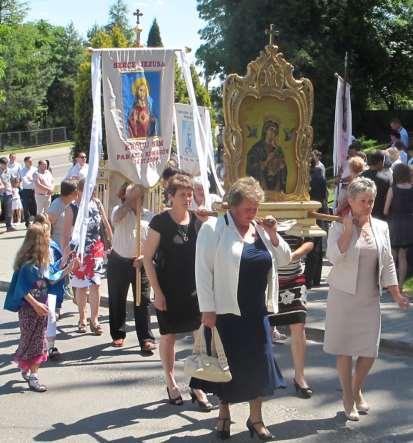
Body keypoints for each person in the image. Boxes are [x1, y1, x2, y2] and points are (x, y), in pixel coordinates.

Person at [196, 176, 291, 440]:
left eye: (256, 208)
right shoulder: (214, 228)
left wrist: (273, 234)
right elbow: (202, 272)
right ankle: (224, 413)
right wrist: (207, 309)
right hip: (225, 312)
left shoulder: (259, 229)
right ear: (232, 206)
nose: (254, 213)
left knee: (259, 365)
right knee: (225, 366)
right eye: (248, 208)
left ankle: (256, 418)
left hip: (256, 311)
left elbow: (284, 259)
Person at [324, 177, 409, 421]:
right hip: (342, 296)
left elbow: (388, 262)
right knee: (344, 349)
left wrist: (395, 293)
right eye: (363, 201)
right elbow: (333, 257)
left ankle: (356, 386)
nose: (368, 205)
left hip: (369, 296)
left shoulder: (381, 226)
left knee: (369, 351)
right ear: (350, 201)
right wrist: (349, 229)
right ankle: (348, 396)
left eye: (371, 201)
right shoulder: (339, 224)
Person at [143, 174, 211, 410]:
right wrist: (157, 292)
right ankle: (171, 381)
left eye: (190, 193)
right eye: (182, 194)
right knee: (169, 336)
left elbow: (208, 250)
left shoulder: (197, 219)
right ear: (171, 197)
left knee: (199, 336)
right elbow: (147, 259)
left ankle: (197, 383)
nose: (188, 198)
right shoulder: (159, 221)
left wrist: (205, 222)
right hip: (167, 289)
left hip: (194, 289)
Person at [3, 214, 71, 392]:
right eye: (46, 239)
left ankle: (30, 372)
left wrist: (69, 268)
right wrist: (35, 305)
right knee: (30, 341)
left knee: (38, 342)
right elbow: (22, 289)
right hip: (29, 310)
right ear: (38, 243)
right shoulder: (27, 266)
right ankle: (31, 374)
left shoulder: (42, 264)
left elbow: (52, 277)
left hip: (42, 309)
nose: (49, 242)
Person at [108, 183, 156, 353]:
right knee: (117, 299)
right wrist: (128, 202)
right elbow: (114, 219)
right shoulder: (118, 211)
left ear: (141, 198)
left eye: (136, 196)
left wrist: (144, 258)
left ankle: (146, 338)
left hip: (140, 264)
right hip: (118, 261)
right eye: (127, 195)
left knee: (142, 301)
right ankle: (118, 333)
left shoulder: (149, 216)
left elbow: (153, 243)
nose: (130, 198)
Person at [62, 179, 112, 335]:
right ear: (80, 190)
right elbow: (65, 233)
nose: (91, 193)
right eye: (87, 189)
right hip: (79, 252)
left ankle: (94, 319)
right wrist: (65, 254)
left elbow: (105, 223)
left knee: (96, 284)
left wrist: (112, 241)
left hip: (96, 249)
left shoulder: (97, 203)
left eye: (93, 189)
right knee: (81, 285)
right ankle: (82, 317)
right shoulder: (72, 208)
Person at [270, 230, 314, 399]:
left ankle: (299, 377)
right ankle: (265, 375)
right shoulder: (260, 209)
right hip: (267, 279)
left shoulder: (299, 207)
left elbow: (310, 241)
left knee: (298, 325)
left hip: (294, 278)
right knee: (263, 327)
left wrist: (295, 254)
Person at [383, 164, 413, 290]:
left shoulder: (392, 189)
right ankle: (400, 286)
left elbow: (385, 210)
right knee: (403, 256)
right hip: (409, 223)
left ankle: (390, 285)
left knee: (392, 255)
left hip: (394, 222)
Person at [246, 120, 287, 192]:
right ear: (265, 130)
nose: (272, 133)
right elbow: (250, 168)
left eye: (275, 131)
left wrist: (282, 167)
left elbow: (284, 171)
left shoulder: (278, 150)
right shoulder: (257, 148)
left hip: (276, 185)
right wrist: (266, 161)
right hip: (261, 185)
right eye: (271, 129)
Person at [47, 180, 78, 247]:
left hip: (68, 244)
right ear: (71, 193)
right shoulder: (56, 206)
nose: (77, 194)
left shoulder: (71, 204)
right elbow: (47, 225)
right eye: (76, 192)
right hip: (58, 245)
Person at [361, 151, 391, 220]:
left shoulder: (360, 177)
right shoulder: (385, 179)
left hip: (363, 213)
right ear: (380, 162)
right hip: (380, 215)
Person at [19, 156, 37, 228]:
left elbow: (36, 180)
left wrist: (32, 180)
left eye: (31, 161)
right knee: (26, 207)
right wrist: (32, 180)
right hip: (25, 190)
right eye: (29, 161)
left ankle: (36, 222)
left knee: (35, 206)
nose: (31, 162)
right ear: (25, 162)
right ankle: (27, 223)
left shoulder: (35, 169)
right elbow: (25, 181)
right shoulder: (22, 171)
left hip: (34, 190)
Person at [0, 156, 16, 232]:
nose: (6, 166)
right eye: (4, 164)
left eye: (7, 164)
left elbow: (11, 180)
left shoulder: (8, 170)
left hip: (8, 193)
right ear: (0, 164)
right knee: (2, 210)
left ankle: (9, 226)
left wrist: (13, 188)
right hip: (1, 194)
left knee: (8, 210)